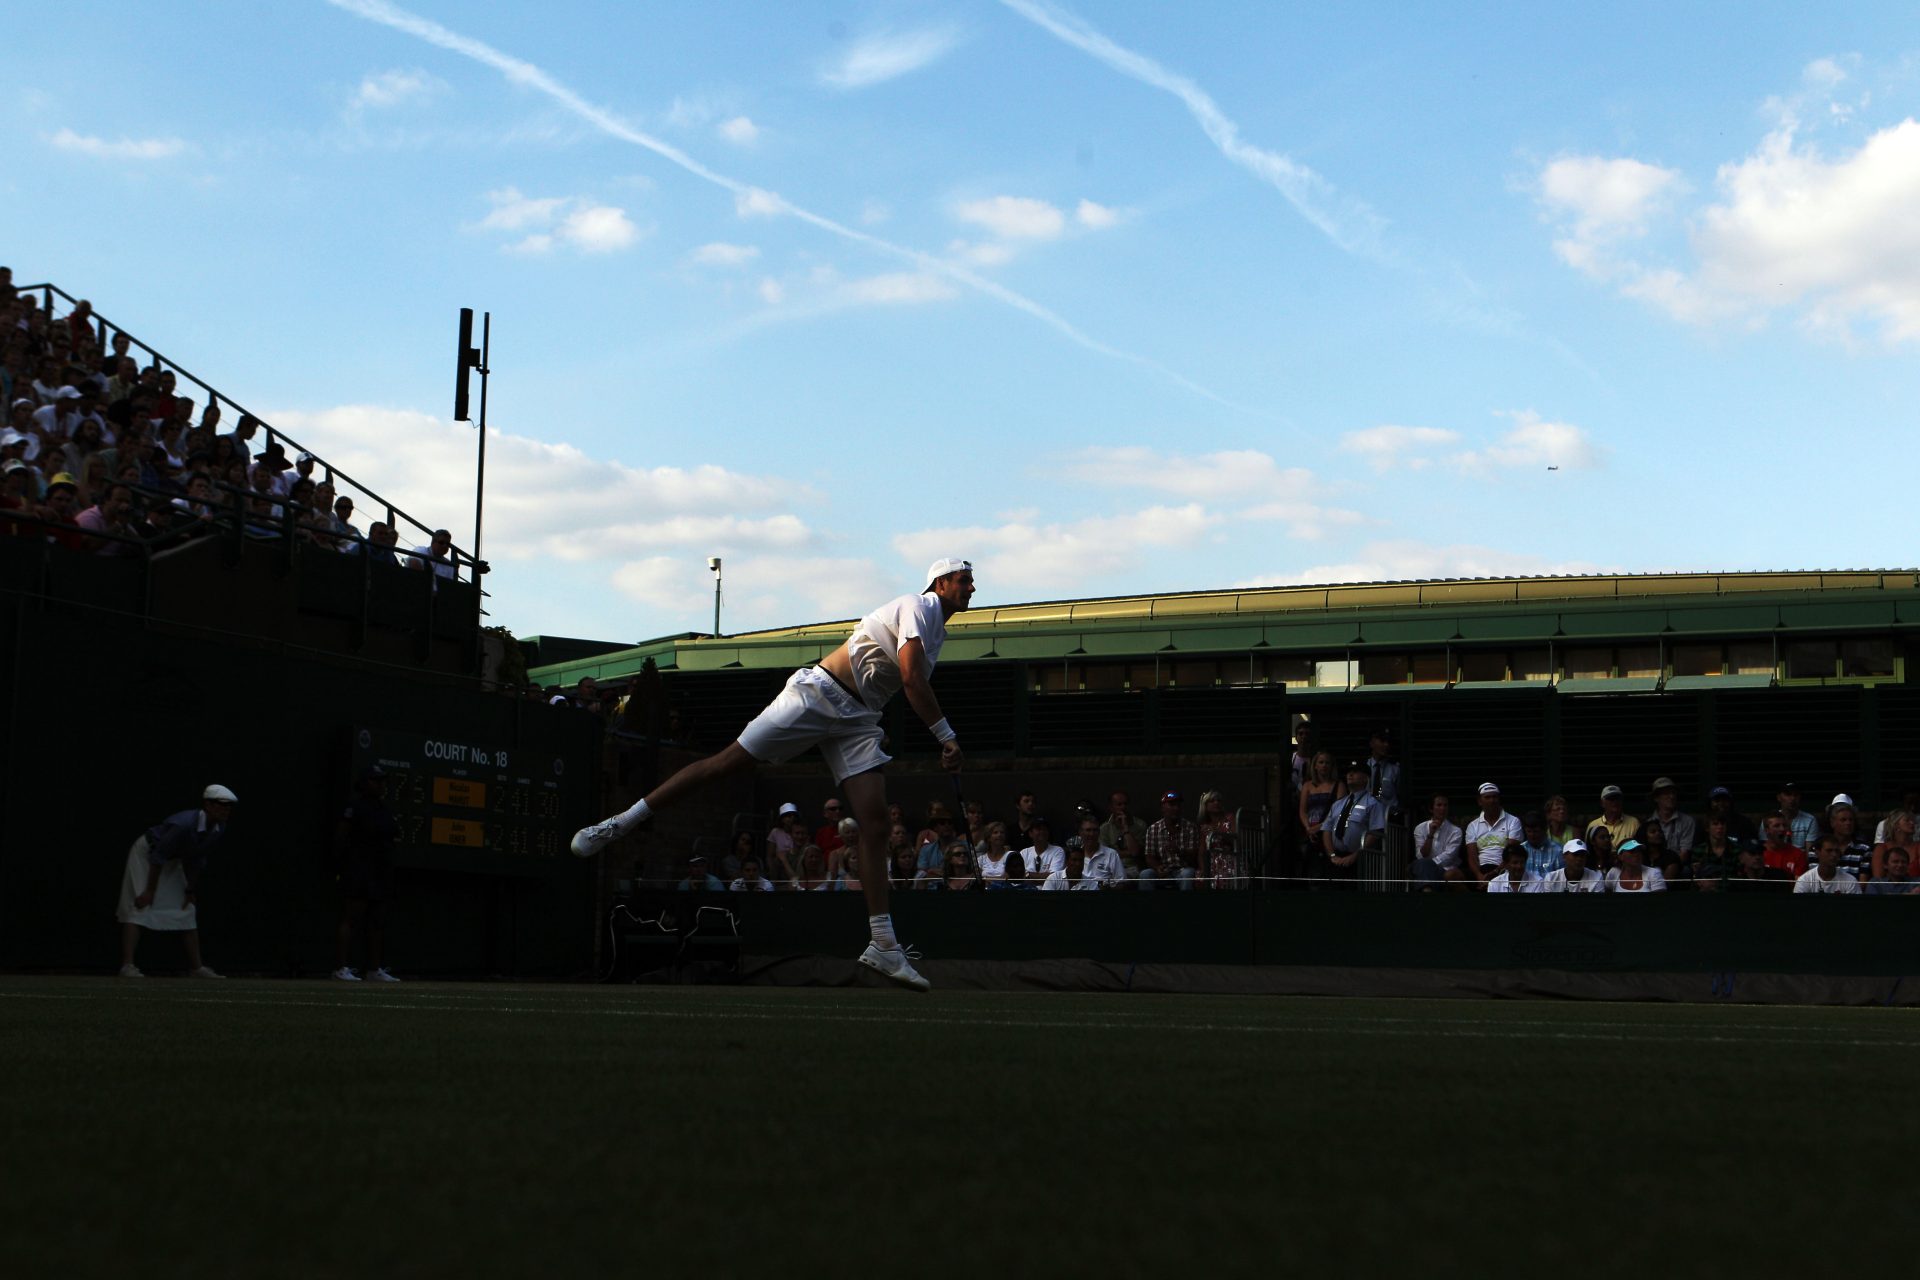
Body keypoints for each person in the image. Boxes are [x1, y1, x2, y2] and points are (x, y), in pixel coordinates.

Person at [571, 558, 976, 990]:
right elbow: (912, 679)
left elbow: (900, 682)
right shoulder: (920, 605)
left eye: (971, 581)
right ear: (940, 582)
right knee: (724, 764)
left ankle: (882, 943)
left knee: (875, 824)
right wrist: (946, 736)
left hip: (859, 718)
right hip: (818, 695)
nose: (971, 587)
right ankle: (618, 823)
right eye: (964, 579)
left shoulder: (938, 633)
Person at [116, 784, 236, 977]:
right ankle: (127, 965)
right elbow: (157, 856)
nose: (226, 809)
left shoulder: (219, 828)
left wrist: (190, 890)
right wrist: (149, 891)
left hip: (172, 860)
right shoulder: (183, 824)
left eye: (229, 805)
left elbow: (197, 859)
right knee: (138, 905)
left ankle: (197, 968)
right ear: (208, 805)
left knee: (186, 908)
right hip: (147, 855)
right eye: (221, 804)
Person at [332, 767, 399, 982]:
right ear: (364, 783)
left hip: (379, 873)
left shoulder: (384, 810)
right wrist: (341, 868)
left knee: (377, 921)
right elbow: (341, 839)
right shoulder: (354, 807)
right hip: (357, 871)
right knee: (350, 918)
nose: (380, 785)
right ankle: (341, 968)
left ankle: (373, 969)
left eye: (382, 781)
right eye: (375, 780)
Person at [1319, 763, 1385, 887]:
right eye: (1349, 772)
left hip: (1359, 860)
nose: (1350, 774)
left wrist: (1355, 856)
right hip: (1335, 860)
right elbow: (1326, 830)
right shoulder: (1337, 804)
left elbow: (1376, 832)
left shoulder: (1373, 803)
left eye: (1355, 772)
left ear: (1365, 778)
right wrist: (1332, 855)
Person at [1464, 782, 1524, 886]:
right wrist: (1479, 876)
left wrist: (1495, 873)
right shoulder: (1472, 826)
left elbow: (1511, 853)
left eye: (1494, 797)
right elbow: (1472, 856)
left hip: (1504, 868)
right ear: (1479, 801)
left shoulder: (1513, 821)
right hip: (1481, 870)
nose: (1492, 800)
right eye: (1487, 797)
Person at [1142, 790, 1203, 890]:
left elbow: (1193, 858)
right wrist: (1157, 867)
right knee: (1145, 874)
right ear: (1162, 807)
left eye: (1178, 805)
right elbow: (1149, 857)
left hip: (1183, 869)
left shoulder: (1190, 827)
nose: (1176, 808)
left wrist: (1179, 851)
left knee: (1188, 873)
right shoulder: (1153, 829)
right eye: (1171, 805)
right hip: (1163, 870)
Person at [1297, 751, 1344, 864]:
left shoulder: (1339, 785)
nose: (1324, 765)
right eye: (1321, 762)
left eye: (1327, 763)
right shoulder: (1307, 786)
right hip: (1311, 831)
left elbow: (1338, 812)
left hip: (1330, 831)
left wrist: (1319, 827)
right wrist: (1308, 828)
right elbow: (1302, 810)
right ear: (1315, 766)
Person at [1409, 793, 1464, 887]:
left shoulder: (1456, 831)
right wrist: (1430, 834)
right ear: (1431, 809)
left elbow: (1449, 856)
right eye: (1439, 805)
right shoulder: (1420, 828)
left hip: (1445, 868)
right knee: (1421, 866)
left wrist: (1429, 865)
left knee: (1424, 867)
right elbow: (1421, 855)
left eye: (1445, 805)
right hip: (1423, 867)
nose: (1442, 808)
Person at [1100, 791, 1147, 877]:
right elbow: (1105, 855)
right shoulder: (1104, 828)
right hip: (1111, 869)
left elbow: (1135, 852)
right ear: (1111, 807)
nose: (1123, 807)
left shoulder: (1140, 825)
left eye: (1125, 804)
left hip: (1133, 869)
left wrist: (1125, 829)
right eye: (1119, 804)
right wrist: (1127, 853)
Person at [1793, 835, 1860, 895]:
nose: (1834, 855)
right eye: (1829, 851)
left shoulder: (1850, 881)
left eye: (1836, 851)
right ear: (1817, 853)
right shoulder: (1804, 880)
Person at [1073, 817, 1127, 889]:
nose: (1092, 834)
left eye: (1095, 830)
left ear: (1099, 832)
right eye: (1088, 830)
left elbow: (1121, 882)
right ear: (1080, 832)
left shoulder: (1111, 854)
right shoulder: (1074, 855)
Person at [1646, 778, 1696, 853]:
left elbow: (1684, 853)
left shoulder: (1687, 821)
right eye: (1666, 793)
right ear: (1656, 798)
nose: (1671, 796)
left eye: (1673, 793)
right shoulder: (1648, 824)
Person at [1585, 785, 1640, 851]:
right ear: (1602, 803)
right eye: (1610, 799)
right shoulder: (1593, 825)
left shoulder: (1633, 822)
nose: (1615, 802)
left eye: (1617, 798)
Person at [1759, 813, 1808, 879]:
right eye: (1777, 826)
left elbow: (1800, 885)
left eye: (1784, 825)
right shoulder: (1758, 854)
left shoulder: (1798, 855)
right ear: (1766, 830)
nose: (1782, 829)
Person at [1519, 809, 1562, 881]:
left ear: (1545, 830)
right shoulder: (1519, 850)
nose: (1532, 835)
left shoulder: (1558, 850)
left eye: (1536, 831)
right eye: (1529, 831)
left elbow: (1561, 880)